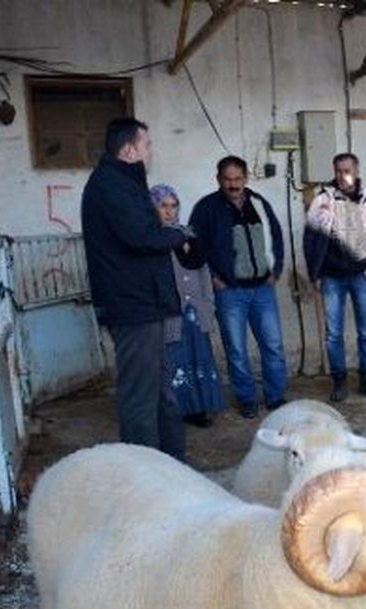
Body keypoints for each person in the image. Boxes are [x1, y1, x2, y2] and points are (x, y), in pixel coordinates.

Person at [81, 117, 192, 460]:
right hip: (133, 307)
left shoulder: (124, 184)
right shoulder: (111, 186)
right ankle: (144, 477)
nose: (149, 151)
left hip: (147, 303)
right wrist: (179, 235)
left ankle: (172, 467)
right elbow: (141, 237)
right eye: (146, 145)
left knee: (162, 393)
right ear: (129, 150)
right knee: (141, 398)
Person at [188, 156, 288, 419]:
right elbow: (195, 246)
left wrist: (275, 270)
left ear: (246, 178)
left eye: (237, 179)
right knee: (236, 350)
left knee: (274, 346)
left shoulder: (259, 203)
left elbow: (276, 237)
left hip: (263, 290)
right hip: (229, 292)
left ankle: (275, 397)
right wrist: (212, 277)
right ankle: (246, 399)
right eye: (227, 179)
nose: (233, 185)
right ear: (219, 179)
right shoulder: (206, 208)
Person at [305, 152, 366, 402]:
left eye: (347, 170)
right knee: (333, 333)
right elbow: (311, 235)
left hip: (362, 275)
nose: (342, 175)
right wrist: (314, 272)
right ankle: (339, 380)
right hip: (332, 276)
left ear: (356, 171)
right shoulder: (322, 199)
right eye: (338, 171)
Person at [150, 184, 226, 428]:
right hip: (170, 314)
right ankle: (178, 409)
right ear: (152, 208)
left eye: (174, 206)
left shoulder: (189, 236)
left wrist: (208, 305)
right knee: (175, 360)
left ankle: (199, 408)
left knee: (198, 358)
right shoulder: (151, 240)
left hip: (196, 312)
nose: (169, 211)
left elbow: (203, 271)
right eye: (163, 206)